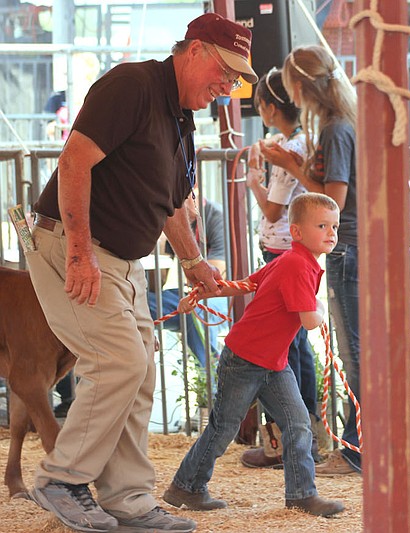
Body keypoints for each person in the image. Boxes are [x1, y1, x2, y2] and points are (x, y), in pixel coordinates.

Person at [25, 13, 257, 533]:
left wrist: (195, 262)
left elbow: (171, 205)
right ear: (193, 51)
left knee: (139, 368)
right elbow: (74, 164)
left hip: (121, 259)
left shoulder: (181, 115)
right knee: (118, 360)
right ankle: (61, 479)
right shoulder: (132, 84)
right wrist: (81, 253)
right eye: (224, 71)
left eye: (236, 78)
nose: (227, 86)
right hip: (76, 246)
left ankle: (127, 498)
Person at [162, 193, 345, 518]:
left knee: (298, 423)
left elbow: (245, 284)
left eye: (334, 226)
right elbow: (309, 321)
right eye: (322, 226)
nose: (331, 233)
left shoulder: (292, 261)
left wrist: (208, 290)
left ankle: (302, 494)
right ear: (297, 232)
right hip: (246, 359)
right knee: (224, 427)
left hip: (271, 361)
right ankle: (186, 487)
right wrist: (319, 306)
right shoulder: (297, 265)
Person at [265, 45, 360, 476]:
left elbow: (331, 202)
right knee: (353, 350)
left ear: (301, 86)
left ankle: (357, 452)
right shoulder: (337, 124)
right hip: (351, 246)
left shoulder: (336, 129)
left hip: (348, 246)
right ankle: (356, 448)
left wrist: (291, 165)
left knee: (354, 353)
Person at [241, 68, 322, 468]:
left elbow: (273, 208)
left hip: (281, 254)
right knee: (295, 347)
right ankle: (303, 434)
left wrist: (253, 180)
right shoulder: (305, 141)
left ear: (271, 108)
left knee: (283, 349)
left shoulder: (286, 149)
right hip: (294, 252)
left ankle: (289, 439)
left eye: (261, 106)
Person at [148, 195, 228, 368]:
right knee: (142, 304)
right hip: (187, 293)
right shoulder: (175, 220)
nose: (176, 207)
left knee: (195, 312)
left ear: (193, 192)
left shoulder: (216, 217)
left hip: (222, 296)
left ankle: (212, 375)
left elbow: (215, 279)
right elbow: (161, 280)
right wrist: (159, 242)